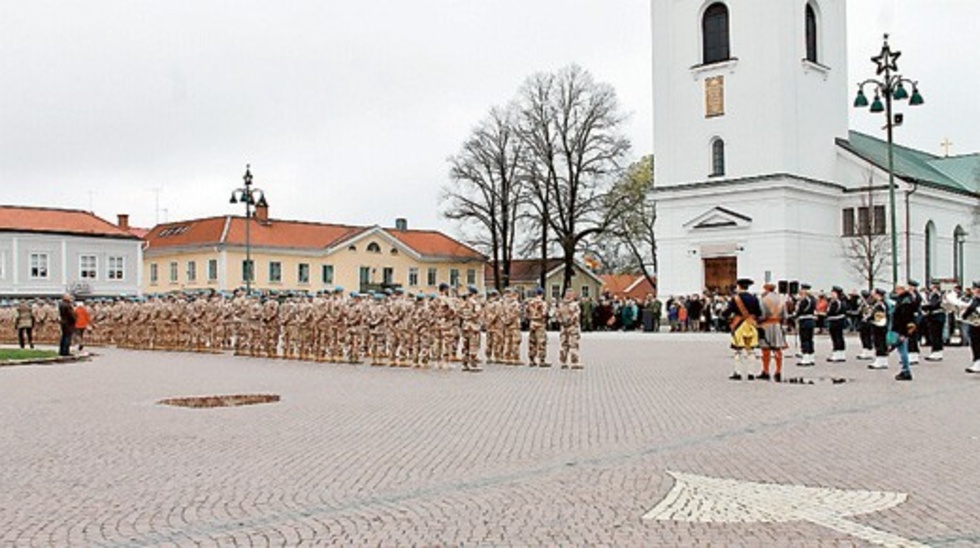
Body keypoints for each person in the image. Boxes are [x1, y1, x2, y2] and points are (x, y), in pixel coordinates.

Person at [724, 278, 761, 381]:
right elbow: (759, 313)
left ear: (739, 286)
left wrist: (724, 315)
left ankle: (738, 372)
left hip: (739, 325)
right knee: (751, 351)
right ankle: (751, 373)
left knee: (738, 350)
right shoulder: (754, 298)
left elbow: (728, 311)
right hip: (751, 325)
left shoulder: (736, 298)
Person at [757, 283, 787, 382]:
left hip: (766, 325)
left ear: (766, 289)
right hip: (777, 325)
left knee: (765, 350)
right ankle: (778, 371)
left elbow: (761, 314)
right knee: (778, 349)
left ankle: (765, 371)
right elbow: (785, 315)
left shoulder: (763, 299)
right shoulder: (780, 300)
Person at [891, 284, 917, 381]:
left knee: (903, 350)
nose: (896, 291)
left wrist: (903, 333)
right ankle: (905, 370)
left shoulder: (905, 301)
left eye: (897, 289)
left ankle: (906, 371)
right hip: (900, 328)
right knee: (901, 349)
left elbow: (905, 318)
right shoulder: (904, 299)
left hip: (901, 329)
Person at [557, 288, 583, 369]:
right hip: (572, 327)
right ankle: (574, 362)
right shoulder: (574, 305)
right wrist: (570, 321)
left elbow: (557, 315)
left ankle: (563, 362)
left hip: (563, 327)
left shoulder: (561, 305)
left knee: (564, 344)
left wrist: (562, 322)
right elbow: (576, 316)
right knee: (574, 344)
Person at [525, 286, 549, 367]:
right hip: (540, 324)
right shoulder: (543, 303)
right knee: (541, 341)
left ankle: (532, 360)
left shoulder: (530, 302)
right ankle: (542, 360)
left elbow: (526, 313)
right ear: (542, 294)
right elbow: (544, 313)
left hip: (532, 323)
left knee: (532, 341)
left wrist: (531, 318)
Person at [794, 284, 817, 366]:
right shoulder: (813, 299)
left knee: (805, 339)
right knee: (810, 339)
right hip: (810, 320)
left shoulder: (805, 300)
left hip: (804, 320)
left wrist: (795, 314)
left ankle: (806, 357)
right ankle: (811, 356)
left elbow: (800, 311)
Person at [923, 282, 946, 361]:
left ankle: (936, 352)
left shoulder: (935, 295)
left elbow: (933, 305)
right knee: (938, 336)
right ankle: (938, 352)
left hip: (935, 317)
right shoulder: (940, 294)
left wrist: (923, 307)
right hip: (939, 317)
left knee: (935, 335)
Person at [961, 282, 980, 374]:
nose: (972, 290)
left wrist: (964, 315)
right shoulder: (975, 298)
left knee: (976, 343)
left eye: (974, 288)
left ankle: (977, 362)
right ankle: (977, 362)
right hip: (975, 323)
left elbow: (972, 308)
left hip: (976, 325)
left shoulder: (977, 299)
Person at [825, 286, 847, 362]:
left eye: (833, 293)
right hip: (834, 321)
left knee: (837, 337)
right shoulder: (833, 301)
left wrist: (826, 314)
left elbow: (833, 312)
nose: (831, 294)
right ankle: (840, 353)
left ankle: (838, 353)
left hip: (836, 322)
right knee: (837, 337)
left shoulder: (838, 302)